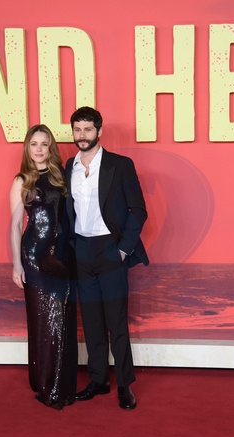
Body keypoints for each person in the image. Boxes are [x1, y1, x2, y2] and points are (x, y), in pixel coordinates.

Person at [65, 107, 149, 410]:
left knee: (117, 322)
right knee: (91, 322)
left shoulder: (120, 165)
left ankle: (125, 385)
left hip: (111, 249)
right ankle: (98, 380)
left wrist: (123, 250)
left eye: (88, 129)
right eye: (77, 129)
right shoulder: (69, 166)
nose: (82, 135)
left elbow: (138, 210)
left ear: (99, 131)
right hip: (82, 250)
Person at [10, 124, 77, 410]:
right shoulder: (22, 180)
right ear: (27, 148)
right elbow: (16, 225)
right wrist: (17, 264)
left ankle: (62, 381)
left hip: (63, 257)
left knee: (62, 319)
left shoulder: (62, 175)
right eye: (34, 144)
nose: (39, 149)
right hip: (35, 258)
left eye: (44, 144)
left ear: (51, 147)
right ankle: (45, 382)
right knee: (42, 320)